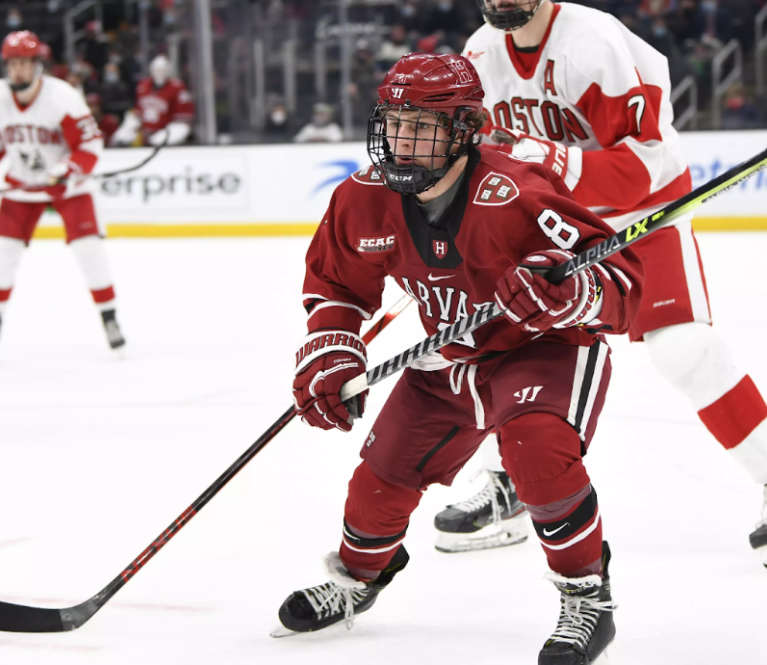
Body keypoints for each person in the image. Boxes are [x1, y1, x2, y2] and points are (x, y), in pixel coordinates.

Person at [274, 53, 643, 665]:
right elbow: (335, 285)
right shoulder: (362, 197)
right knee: (377, 486)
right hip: (448, 357)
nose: (400, 140)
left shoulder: (517, 194)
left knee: (536, 451)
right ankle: (356, 581)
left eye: (422, 126)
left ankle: (587, 597)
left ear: (466, 130)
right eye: (394, 122)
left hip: (538, 350)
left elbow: (622, 289)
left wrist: (568, 292)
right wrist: (333, 349)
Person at [452, 0, 767, 573]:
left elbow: (642, 168)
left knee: (684, 350)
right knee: (495, 346)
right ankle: (507, 486)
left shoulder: (594, 43)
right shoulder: (479, 53)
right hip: (549, 220)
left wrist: (546, 157)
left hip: (642, 212)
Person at [0, 31, 125, 357]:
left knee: (90, 251)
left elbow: (89, 145)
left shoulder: (62, 97)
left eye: (24, 63)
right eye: (12, 64)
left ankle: (110, 317)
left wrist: (68, 168)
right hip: (21, 186)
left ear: (38, 65)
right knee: (2, 256)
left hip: (69, 188)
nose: (18, 71)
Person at [110, 55, 193, 147]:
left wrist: (165, 134)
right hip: (145, 133)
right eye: (157, 70)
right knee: (128, 123)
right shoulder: (143, 86)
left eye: (162, 70)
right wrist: (126, 131)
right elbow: (138, 112)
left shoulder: (177, 87)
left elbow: (183, 120)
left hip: (166, 131)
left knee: (180, 130)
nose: (159, 73)